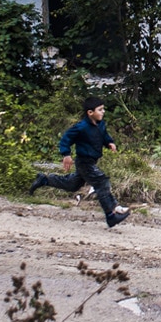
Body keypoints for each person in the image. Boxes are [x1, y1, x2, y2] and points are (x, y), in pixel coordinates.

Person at [29, 98, 130, 228]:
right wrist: (66, 154)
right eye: (100, 110)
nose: (103, 112)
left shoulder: (101, 124)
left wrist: (109, 142)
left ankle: (44, 180)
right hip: (84, 162)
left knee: (72, 185)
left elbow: (104, 135)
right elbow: (65, 139)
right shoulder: (81, 127)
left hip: (92, 161)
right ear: (90, 112)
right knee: (101, 181)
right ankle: (111, 215)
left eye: (103, 109)